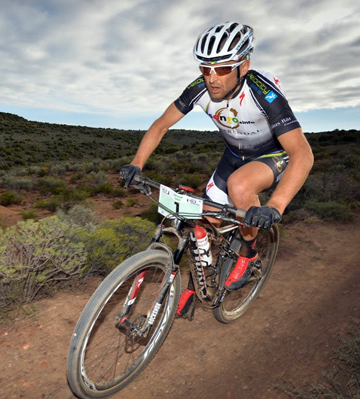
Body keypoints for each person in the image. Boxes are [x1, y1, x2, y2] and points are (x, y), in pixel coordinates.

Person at [120, 21, 314, 316]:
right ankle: (206, 272)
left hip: (272, 153)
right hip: (234, 154)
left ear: (243, 65)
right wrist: (136, 163)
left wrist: (276, 204)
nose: (212, 78)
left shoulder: (264, 93)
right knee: (204, 214)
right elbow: (161, 125)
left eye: (222, 68)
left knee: (239, 187)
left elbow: (303, 153)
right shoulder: (199, 89)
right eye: (205, 68)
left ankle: (249, 256)